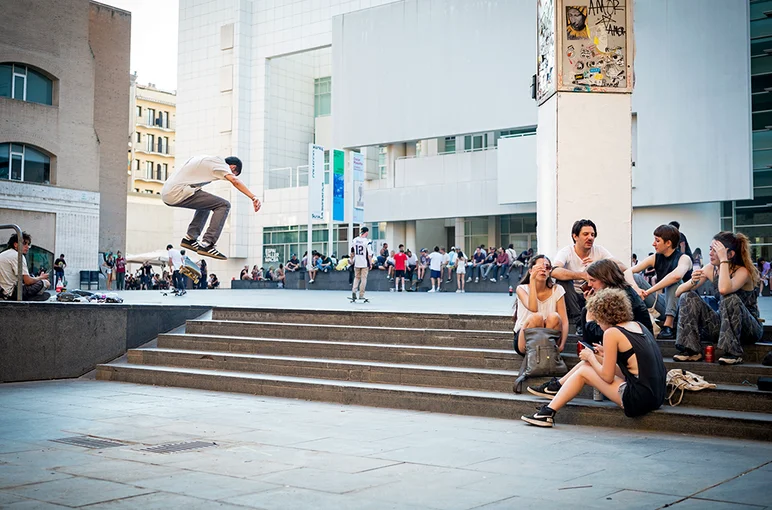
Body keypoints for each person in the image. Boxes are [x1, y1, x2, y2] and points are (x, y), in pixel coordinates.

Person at [523, 288, 667, 427]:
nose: (597, 323)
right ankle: (555, 394)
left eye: (597, 318)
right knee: (587, 364)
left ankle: (547, 412)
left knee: (584, 371)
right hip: (657, 396)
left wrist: (591, 357)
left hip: (639, 399)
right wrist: (602, 356)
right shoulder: (638, 325)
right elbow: (631, 368)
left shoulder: (612, 333)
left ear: (604, 316)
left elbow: (607, 377)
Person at [674, 232, 764, 365]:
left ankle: (733, 352)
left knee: (729, 297)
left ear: (730, 255)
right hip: (722, 326)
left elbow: (724, 289)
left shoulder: (743, 272)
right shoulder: (711, 269)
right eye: (710, 248)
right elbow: (678, 292)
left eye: (715, 250)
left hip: (748, 329)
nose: (710, 253)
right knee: (687, 296)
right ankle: (691, 350)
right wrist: (692, 282)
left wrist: (723, 261)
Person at [162, 155, 261, 260]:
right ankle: (207, 244)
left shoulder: (208, 161)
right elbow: (235, 181)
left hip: (169, 192)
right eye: (232, 173)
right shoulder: (221, 164)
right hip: (177, 192)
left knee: (207, 203)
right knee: (224, 205)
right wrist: (253, 197)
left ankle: (190, 239)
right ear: (232, 168)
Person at [551, 219, 626, 334]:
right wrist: (583, 276)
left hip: (594, 295)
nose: (590, 238)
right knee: (563, 281)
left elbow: (622, 267)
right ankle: (579, 322)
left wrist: (598, 265)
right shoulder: (567, 252)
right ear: (575, 236)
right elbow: (554, 271)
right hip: (572, 299)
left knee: (608, 278)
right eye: (585, 234)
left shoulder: (599, 251)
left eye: (592, 235)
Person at [625, 225, 692, 339]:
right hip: (665, 304)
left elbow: (676, 276)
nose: (653, 244)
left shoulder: (684, 258)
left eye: (657, 240)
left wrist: (649, 291)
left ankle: (669, 326)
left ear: (668, 243)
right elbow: (627, 272)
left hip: (684, 308)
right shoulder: (655, 257)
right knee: (636, 278)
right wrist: (637, 290)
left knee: (673, 282)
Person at [581, 259, 653, 347]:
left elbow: (609, 332)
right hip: (633, 340)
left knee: (587, 312)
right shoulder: (621, 291)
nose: (589, 285)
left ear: (605, 279)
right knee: (586, 310)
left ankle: (588, 349)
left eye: (593, 280)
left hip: (636, 345)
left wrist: (589, 321)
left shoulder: (619, 298)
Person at [513, 255, 568, 357]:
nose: (543, 270)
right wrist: (533, 280)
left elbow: (564, 321)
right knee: (537, 318)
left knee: (554, 317)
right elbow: (533, 308)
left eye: (546, 268)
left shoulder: (557, 289)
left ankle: (546, 353)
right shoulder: (522, 289)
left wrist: (562, 345)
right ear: (530, 270)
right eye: (539, 268)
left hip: (548, 338)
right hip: (524, 340)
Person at [0, 231, 51, 301]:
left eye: (28, 244)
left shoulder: (3, 254)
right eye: (24, 244)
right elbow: (28, 281)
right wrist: (41, 277)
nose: (27, 247)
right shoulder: (18, 256)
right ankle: (33, 297)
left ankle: (34, 297)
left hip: (2, 292)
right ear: (15, 244)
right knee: (46, 283)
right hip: (11, 293)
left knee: (35, 282)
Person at [351, 226, 373, 300]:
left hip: (357, 262)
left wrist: (351, 260)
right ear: (366, 232)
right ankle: (361, 295)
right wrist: (371, 263)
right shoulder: (367, 241)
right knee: (363, 279)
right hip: (364, 262)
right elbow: (369, 254)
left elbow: (352, 252)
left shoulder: (355, 240)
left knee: (356, 277)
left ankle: (354, 291)